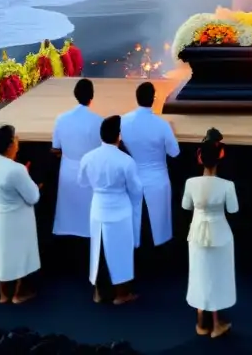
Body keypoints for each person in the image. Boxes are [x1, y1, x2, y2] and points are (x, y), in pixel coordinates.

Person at [78, 115, 143, 304]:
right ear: (119, 136)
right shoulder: (126, 161)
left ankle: (98, 292)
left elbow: (81, 182)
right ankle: (121, 294)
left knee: (97, 252)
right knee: (120, 252)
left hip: (98, 208)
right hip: (120, 210)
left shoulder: (88, 158)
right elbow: (136, 190)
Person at [183, 132, 239, 337]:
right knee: (217, 276)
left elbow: (185, 205)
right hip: (220, 233)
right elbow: (233, 210)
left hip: (197, 231)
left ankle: (200, 322)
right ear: (221, 155)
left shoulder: (190, 183)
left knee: (199, 273)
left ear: (199, 157)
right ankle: (216, 323)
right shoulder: (227, 185)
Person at [0, 125, 41, 304]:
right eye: (16, 140)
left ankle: (4, 294)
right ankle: (19, 293)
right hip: (19, 218)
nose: (18, 143)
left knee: (3, 255)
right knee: (21, 255)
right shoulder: (17, 169)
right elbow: (33, 197)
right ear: (9, 146)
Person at [121, 80, 180, 248]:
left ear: (137, 98)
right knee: (159, 227)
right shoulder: (162, 125)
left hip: (132, 179)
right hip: (157, 180)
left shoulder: (123, 121)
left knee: (134, 226)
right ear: (153, 99)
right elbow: (174, 152)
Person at [51, 78, 102, 239]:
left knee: (68, 209)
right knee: (89, 209)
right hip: (91, 170)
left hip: (68, 169)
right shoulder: (99, 121)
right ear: (92, 96)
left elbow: (55, 148)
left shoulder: (61, 118)